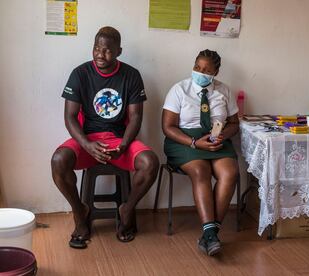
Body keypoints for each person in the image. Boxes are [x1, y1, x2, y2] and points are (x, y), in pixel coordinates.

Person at [51, 26, 159, 249]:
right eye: (96, 48)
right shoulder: (80, 73)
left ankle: (127, 209)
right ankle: (80, 213)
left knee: (150, 163)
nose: (100, 54)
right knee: (58, 160)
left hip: (119, 141)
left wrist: (124, 144)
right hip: (88, 140)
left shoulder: (131, 75)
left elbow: (136, 117)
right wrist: (87, 144)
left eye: (107, 50)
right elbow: (70, 117)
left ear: (119, 51)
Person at [162, 49, 239, 256]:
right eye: (197, 67)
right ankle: (210, 234)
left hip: (215, 139)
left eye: (206, 70)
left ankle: (210, 234)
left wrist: (223, 135)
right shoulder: (179, 89)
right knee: (200, 171)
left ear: (216, 72)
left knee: (230, 173)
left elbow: (234, 123)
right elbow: (168, 127)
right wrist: (195, 143)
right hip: (184, 142)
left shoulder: (224, 91)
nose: (200, 72)